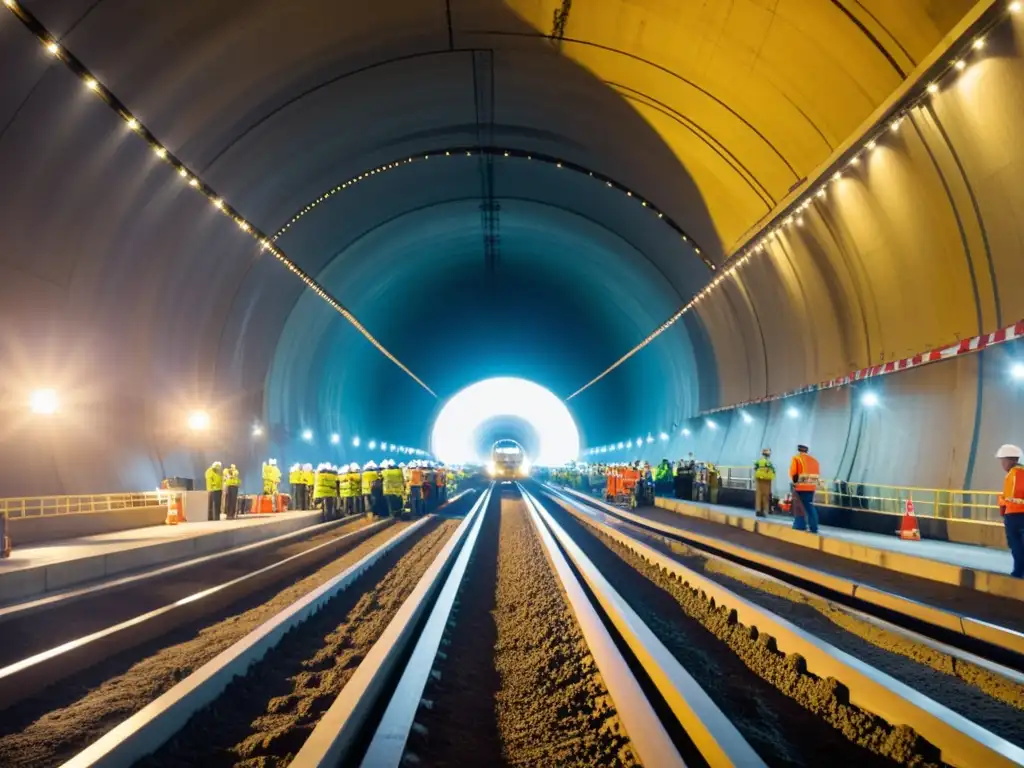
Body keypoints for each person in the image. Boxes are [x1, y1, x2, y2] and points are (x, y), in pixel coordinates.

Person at [996, 444, 1024, 578]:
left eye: (1003, 460)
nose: (1002, 464)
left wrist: (1001, 502)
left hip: (1014, 515)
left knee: (1016, 545)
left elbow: (1011, 497)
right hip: (1016, 514)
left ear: (1011, 460)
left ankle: (1018, 573)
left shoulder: (1014, 474)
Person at [789, 444, 820, 533]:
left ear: (799, 450)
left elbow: (794, 473)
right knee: (809, 506)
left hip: (801, 486)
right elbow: (817, 473)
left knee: (799, 506)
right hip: (812, 486)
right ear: (806, 451)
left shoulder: (797, 458)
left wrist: (795, 484)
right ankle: (814, 527)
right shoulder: (814, 460)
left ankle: (799, 525)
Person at [753, 448, 776, 518]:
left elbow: (755, 468)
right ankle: (764, 510)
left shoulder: (758, 461)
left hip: (758, 479)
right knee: (765, 495)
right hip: (766, 480)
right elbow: (772, 470)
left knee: (759, 495)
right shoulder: (768, 463)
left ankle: (758, 510)